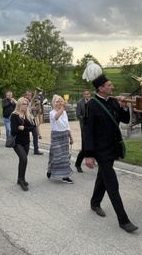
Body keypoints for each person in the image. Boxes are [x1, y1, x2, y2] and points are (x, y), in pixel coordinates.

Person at [83, 71, 136, 233]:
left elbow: (125, 120)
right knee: (112, 183)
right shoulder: (90, 105)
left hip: (113, 148)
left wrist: (124, 107)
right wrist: (89, 154)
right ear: (100, 88)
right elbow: (88, 132)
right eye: (109, 85)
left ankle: (95, 202)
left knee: (103, 177)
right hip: (100, 151)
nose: (112, 87)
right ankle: (124, 220)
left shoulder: (113, 102)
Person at [47, 95, 74, 183]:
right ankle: (50, 169)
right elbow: (56, 117)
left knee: (65, 156)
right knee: (57, 156)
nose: (59, 103)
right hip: (56, 135)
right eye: (57, 102)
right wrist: (62, 108)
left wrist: (71, 137)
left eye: (61, 101)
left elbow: (67, 126)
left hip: (64, 135)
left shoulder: (65, 113)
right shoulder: (52, 112)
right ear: (54, 103)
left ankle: (65, 176)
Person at [9, 97, 35, 191]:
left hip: (26, 141)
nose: (25, 106)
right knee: (24, 159)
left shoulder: (27, 115)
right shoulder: (14, 115)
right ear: (19, 104)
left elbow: (33, 127)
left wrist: (24, 128)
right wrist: (25, 128)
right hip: (17, 142)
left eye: (26, 104)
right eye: (23, 104)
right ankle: (22, 180)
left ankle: (19, 178)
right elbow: (14, 130)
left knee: (22, 160)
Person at [74, 90, 91, 173]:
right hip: (84, 127)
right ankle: (78, 164)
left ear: (90, 95)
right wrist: (85, 118)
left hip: (92, 127)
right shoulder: (80, 103)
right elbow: (78, 115)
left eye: (87, 94)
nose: (86, 95)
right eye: (84, 94)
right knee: (84, 147)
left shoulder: (92, 102)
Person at [24, 90, 44, 155]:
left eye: (30, 95)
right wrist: (30, 109)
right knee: (26, 136)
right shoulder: (23, 102)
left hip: (32, 120)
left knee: (35, 135)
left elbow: (37, 111)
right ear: (25, 95)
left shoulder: (32, 102)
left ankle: (36, 149)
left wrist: (38, 108)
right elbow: (22, 109)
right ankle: (24, 148)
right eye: (27, 95)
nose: (28, 97)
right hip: (25, 120)